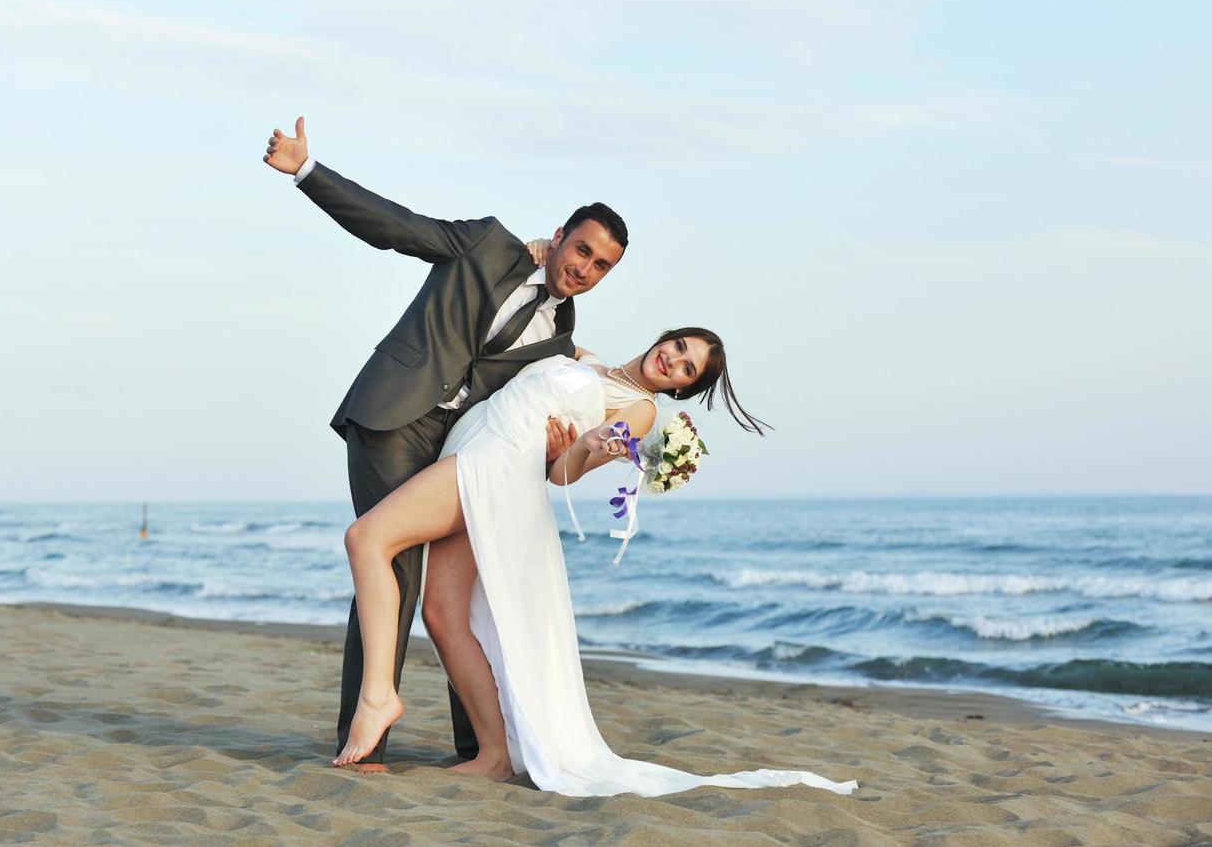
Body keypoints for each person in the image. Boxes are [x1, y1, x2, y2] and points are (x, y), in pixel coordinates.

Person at [335, 328, 858, 798]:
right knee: (443, 616)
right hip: (472, 448)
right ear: (665, 337)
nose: (673, 363)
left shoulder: (642, 409)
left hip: (495, 464)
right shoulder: (588, 358)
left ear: (681, 388)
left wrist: (586, 445)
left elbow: (564, 473)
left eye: (686, 370)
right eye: (678, 348)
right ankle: (494, 755)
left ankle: (379, 697)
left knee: (367, 538)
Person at [263, 116, 627, 767]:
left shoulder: (561, 334)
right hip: (392, 416)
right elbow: (398, 226)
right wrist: (307, 172)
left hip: (456, 446)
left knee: (461, 586)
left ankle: (478, 747)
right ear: (562, 236)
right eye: (583, 251)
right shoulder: (488, 244)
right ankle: (367, 738)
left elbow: (546, 395)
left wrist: (572, 438)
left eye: (601, 267)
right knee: (396, 565)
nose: (587, 269)